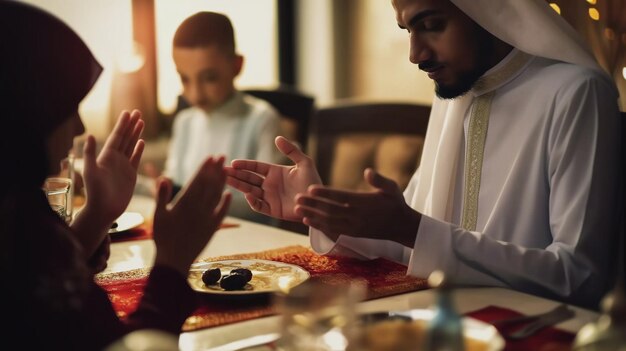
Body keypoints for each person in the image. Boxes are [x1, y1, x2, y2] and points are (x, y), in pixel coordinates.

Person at [225, 0, 624, 309]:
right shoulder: (454, 95)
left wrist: (410, 228)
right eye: (407, 30)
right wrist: (322, 209)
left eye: (431, 25)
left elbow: (580, 276)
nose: (415, 54)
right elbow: (411, 245)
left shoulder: (576, 93)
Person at [0, 2, 231, 350]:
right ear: (23, 110)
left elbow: (35, 295)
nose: (79, 127)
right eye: (66, 108)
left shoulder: (17, 209)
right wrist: (172, 263)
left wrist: (96, 215)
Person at [160, 11, 284, 224]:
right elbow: (173, 187)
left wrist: (192, 200)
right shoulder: (185, 122)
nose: (195, 94)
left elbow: (270, 204)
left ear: (237, 66)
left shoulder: (262, 119)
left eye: (209, 78)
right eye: (184, 79)